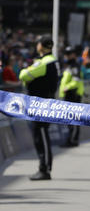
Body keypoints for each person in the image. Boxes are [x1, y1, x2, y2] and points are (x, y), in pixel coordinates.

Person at [19, 35, 59, 180]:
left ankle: (45, 169)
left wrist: (26, 70)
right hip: (42, 103)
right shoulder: (50, 61)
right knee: (40, 135)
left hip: (41, 105)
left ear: (41, 46)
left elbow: (23, 75)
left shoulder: (44, 62)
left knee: (41, 135)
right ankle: (43, 167)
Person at [59, 47, 84, 147]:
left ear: (73, 55)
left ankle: (72, 140)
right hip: (70, 94)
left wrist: (66, 87)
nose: (67, 56)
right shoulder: (70, 65)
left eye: (69, 54)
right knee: (71, 120)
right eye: (66, 54)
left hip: (73, 94)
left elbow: (76, 81)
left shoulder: (74, 66)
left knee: (73, 120)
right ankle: (72, 139)